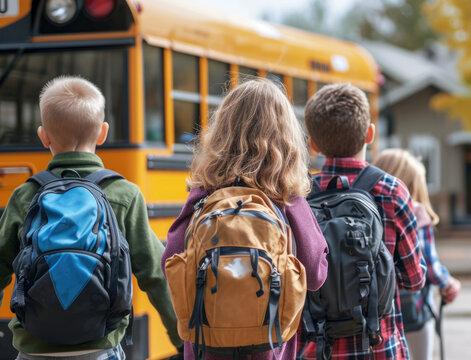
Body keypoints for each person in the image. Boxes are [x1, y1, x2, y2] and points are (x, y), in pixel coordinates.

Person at [0, 76, 183, 359]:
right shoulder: (124, 193)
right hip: (101, 347)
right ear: (103, 133)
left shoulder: (25, 196)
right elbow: (155, 274)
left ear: (43, 136)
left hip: (35, 348)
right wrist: (182, 341)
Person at [161, 78, 329, 360]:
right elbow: (314, 275)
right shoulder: (287, 197)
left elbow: (171, 262)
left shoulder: (204, 194)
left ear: (222, 131)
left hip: (207, 348)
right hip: (268, 350)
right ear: (286, 136)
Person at [299, 83, 427, 359]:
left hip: (317, 348)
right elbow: (414, 279)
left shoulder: (298, 194)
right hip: (380, 347)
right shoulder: (392, 190)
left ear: (313, 144)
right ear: (370, 133)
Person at [373, 149, 461, 360]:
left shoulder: (367, 207)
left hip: (376, 313)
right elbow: (430, 267)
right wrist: (449, 283)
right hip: (413, 311)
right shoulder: (417, 212)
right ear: (414, 185)